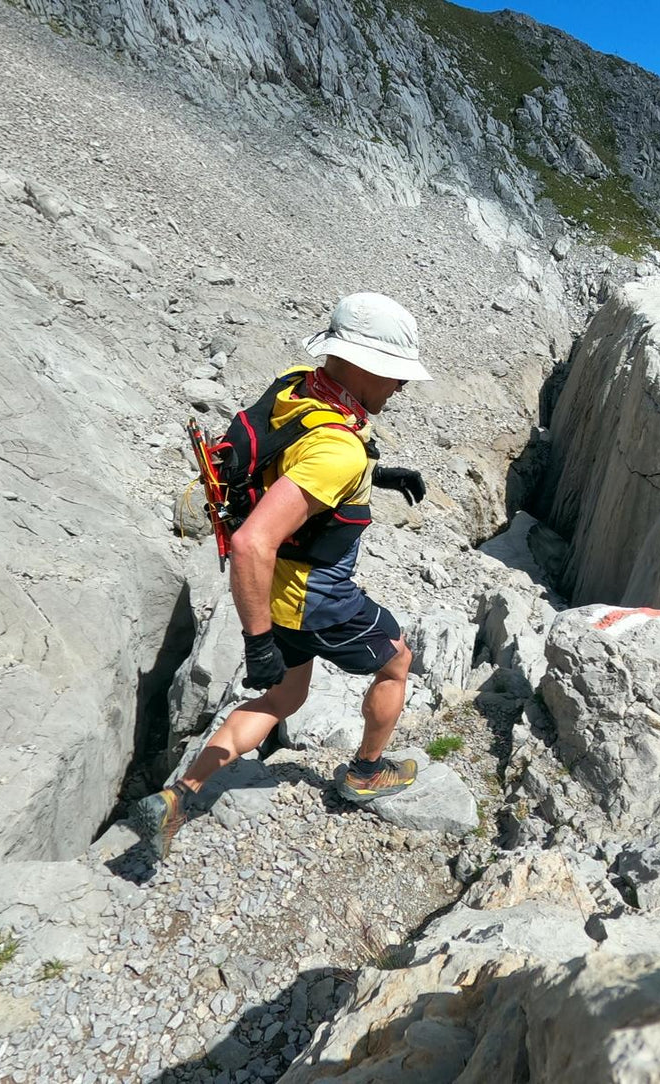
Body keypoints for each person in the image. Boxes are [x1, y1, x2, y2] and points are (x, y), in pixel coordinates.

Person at [134, 292, 432, 861]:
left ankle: (177, 798)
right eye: (395, 376)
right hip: (311, 594)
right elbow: (252, 541)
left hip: (273, 589)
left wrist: (378, 473)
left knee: (287, 695)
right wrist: (258, 641)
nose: (401, 387)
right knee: (397, 660)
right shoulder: (337, 451)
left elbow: (291, 458)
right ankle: (366, 772)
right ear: (366, 367)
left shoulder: (299, 385)